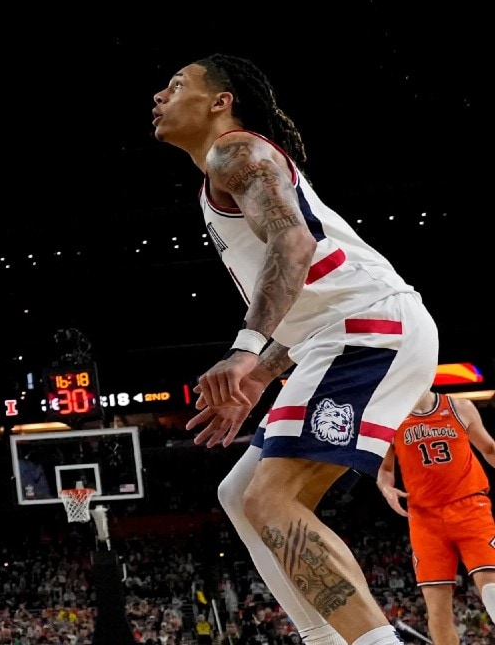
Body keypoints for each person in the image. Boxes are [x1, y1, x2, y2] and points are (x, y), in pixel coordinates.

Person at [162, 54, 440, 645]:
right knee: (239, 495)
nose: (160, 95)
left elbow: (294, 245)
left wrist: (244, 350)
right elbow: (309, 296)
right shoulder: (226, 169)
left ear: (221, 101)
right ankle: (328, 637)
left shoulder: (235, 151)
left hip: (367, 327)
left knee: (271, 497)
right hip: (341, 331)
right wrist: (260, 376)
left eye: (177, 84)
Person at [376, 390, 495, 645]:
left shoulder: (459, 407)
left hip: (469, 507)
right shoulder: (391, 417)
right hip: (424, 518)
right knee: (438, 611)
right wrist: (386, 488)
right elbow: (385, 469)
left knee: (493, 590)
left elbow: (489, 448)